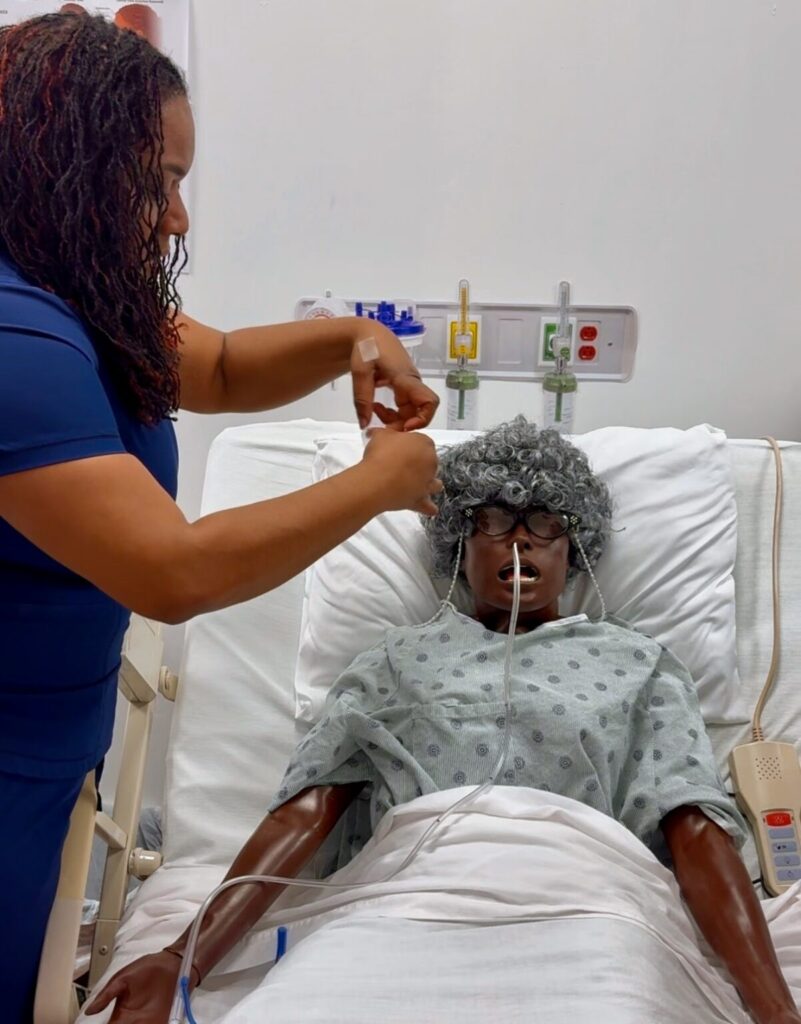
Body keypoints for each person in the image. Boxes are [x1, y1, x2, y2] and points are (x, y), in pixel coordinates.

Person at [0, 12, 440, 1020]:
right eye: (157, 181)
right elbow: (173, 571)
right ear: (63, 160)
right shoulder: (13, 334)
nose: (177, 219)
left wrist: (356, 337)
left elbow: (225, 366)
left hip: (53, 744)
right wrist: (384, 480)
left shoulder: (76, 287)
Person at [87, 419, 801, 1024]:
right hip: (400, 900)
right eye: (493, 521)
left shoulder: (639, 663)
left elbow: (694, 826)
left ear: (574, 548)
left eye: (543, 525)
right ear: (458, 541)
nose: (519, 542)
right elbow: (307, 810)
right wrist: (181, 957)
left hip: (584, 900)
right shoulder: (396, 660)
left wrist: (775, 1011)